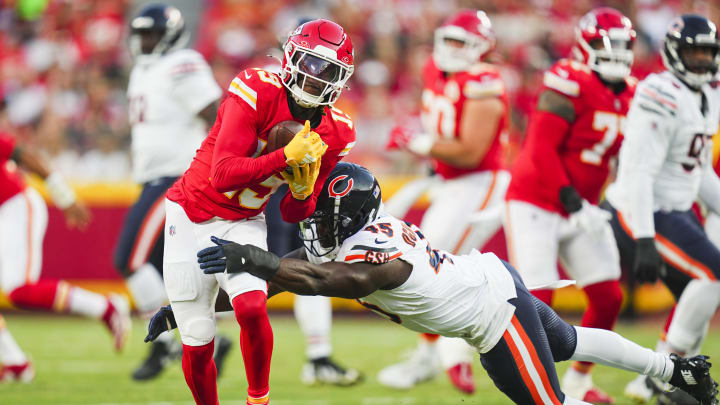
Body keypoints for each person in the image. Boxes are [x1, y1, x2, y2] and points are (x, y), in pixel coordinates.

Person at [148, 162, 719, 405]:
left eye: (323, 214)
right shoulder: (348, 238)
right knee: (568, 343)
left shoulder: (378, 257)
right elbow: (283, 281)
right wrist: (184, 310)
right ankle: (676, 371)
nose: (313, 222)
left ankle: (674, 374)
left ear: (346, 216)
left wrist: (253, 254)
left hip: (495, 314)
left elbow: (325, 278)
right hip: (492, 281)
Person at [162, 18, 356, 405]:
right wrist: (283, 157)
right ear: (290, 57)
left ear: (341, 78)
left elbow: (293, 212)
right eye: (310, 63)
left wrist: (302, 189)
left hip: (243, 220)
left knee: (251, 306)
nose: (316, 78)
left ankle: (258, 400)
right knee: (198, 339)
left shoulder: (337, 131)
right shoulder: (255, 88)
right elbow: (222, 175)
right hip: (189, 212)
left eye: (328, 70)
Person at [504, 7, 637, 402]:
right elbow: (541, 149)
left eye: (622, 46)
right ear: (584, 45)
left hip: (582, 206)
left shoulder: (631, 92)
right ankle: (545, 389)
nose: (613, 54)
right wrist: (572, 200)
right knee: (540, 297)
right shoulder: (568, 79)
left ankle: (579, 379)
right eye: (603, 45)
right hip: (537, 201)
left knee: (609, 295)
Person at [383, 9, 510, 393]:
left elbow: (471, 152)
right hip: (451, 183)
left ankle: (447, 354)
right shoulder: (432, 70)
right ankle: (436, 355)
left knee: (435, 269)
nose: (453, 49)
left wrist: (420, 143)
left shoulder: (484, 83)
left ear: (481, 47)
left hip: (480, 182)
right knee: (425, 266)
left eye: (462, 43)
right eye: (449, 40)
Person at [602, 14, 720, 404]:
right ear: (674, 53)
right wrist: (645, 237)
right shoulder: (660, 92)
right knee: (713, 274)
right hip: (642, 208)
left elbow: (698, 171)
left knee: (699, 294)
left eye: (708, 53)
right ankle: (662, 376)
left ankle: (669, 381)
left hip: (675, 208)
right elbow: (638, 173)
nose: (702, 61)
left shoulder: (707, 95)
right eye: (694, 52)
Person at [119, 3, 231, 381]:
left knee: (128, 260)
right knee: (161, 269)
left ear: (168, 35)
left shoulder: (182, 63)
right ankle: (204, 337)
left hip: (176, 177)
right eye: (141, 35)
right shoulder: (145, 70)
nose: (144, 42)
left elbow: (217, 115)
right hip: (155, 177)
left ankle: (168, 345)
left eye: (150, 34)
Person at [0, 132, 130, 382]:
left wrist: (65, 196)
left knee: (19, 290)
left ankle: (106, 307)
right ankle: (16, 364)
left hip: (14, 207)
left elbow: (25, 155)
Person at [264, 186, 362, 386]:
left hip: (301, 191)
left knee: (311, 268)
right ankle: (205, 338)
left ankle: (319, 358)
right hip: (266, 191)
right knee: (260, 274)